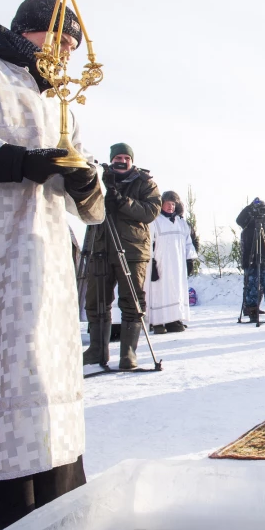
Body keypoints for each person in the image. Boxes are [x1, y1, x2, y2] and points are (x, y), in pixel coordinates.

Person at [0, 0, 104, 530]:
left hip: (49, 261)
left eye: (73, 47)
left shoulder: (60, 100)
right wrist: (20, 161)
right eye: (58, 40)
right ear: (27, 31)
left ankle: (58, 504)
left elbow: (94, 209)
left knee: (49, 371)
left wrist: (87, 182)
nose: (65, 53)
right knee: (4, 374)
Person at [82, 143, 160, 369]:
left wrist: (121, 200)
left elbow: (149, 212)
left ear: (131, 160)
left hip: (133, 250)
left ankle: (128, 354)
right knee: (96, 300)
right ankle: (97, 350)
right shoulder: (100, 179)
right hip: (101, 246)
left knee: (132, 301)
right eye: (118, 157)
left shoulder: (145, 183)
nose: (122, 161)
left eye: (126, 157)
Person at [147, 191, 198, 334]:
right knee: (159, 291)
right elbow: (148, 243)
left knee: (177, 291)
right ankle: (157, 322)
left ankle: (175, 319)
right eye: (168, 203)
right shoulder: (155, 221)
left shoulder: (181, 223)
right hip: (161, 263)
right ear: (161, 204)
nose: (170, 207)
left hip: (178, 264)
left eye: (173, 204)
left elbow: (189, 243)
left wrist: (189, 260)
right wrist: (150, 263)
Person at [236, 198, 265, 323]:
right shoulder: (247, 221)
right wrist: (250, 207)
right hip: (251, 259)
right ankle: (252, 313)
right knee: (252, 287)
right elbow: (239, 220)